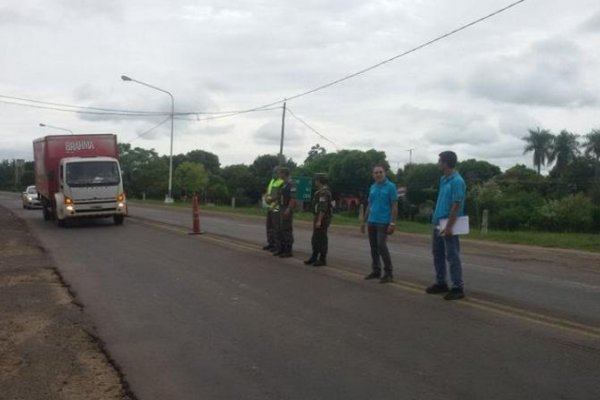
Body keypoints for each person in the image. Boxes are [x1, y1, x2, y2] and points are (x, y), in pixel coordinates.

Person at [426, 151, 467, 300]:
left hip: (448, 223)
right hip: (438, 222)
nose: (438, 163)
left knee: (452, 255)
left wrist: (449, 226)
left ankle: (457, 286)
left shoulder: (457, 181)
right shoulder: (444, 179)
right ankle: (441, 282)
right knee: (437, 253)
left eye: (439, 160)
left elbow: (456, 205)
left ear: (445, 162)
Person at [360, 164, 398, 283]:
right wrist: (364, 221)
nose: (378, 174)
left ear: (384, 173)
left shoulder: (391, 187)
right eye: (376, 173)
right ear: (373, 175)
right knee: (374, 247)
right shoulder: (372, 187)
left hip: (383, 222)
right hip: (372, 221)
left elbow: (394, 206)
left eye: (380, 172)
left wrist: (392, 223)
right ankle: (376, 270)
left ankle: (389, 273)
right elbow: (369, 205)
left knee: (382, 246)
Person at [304, 174, 333, 267]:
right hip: (317, 216)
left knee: (321, 238)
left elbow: (323, 208)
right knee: (315, 238)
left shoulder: (324, 193)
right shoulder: (318, 192)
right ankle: (314, 256)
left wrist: (319, 220)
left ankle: (322, 258)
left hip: (323, 218)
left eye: (316, 180)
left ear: (319, 181)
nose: (315, 182)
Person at [274, 167, 296, 258]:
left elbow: (293, 198)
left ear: (284, 174)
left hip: (287, 208)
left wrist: (288, 209)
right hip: (281, 207)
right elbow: (279, 196)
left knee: (286, 229)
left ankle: (288, 250)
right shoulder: (283, 184)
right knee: (280, 228)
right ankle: (281, 248)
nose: (279, 175)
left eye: (280, 173)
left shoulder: (291, 184)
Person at [263, 167, 284, 252]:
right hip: (270, 207)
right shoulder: (272, 181)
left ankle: (277, 245)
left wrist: (270, 200)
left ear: (279, 173)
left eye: (275, 172)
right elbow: (268, 192)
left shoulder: (281, 182)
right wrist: (266, 198)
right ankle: (270, 243)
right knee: (269, 226)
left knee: (276, 227)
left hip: (276, 208)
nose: (273, 174)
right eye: (273, 172)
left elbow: (279, 196)